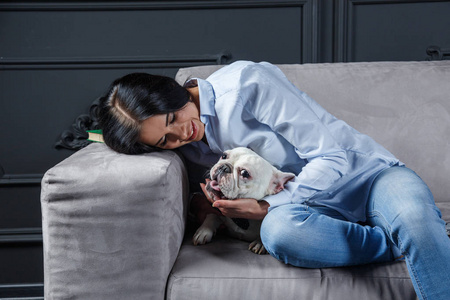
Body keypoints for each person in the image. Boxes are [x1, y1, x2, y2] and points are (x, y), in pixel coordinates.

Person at [98, 61, 450, 300]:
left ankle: (414, 233)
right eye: (165, 140)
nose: (182, 133)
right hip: (304, 217)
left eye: (173, 117)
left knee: (414, 219)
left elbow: (331, 156)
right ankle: (392, 243)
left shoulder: (245, 84)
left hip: (368, 178)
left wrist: (266, 204)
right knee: (280, 233)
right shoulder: (186, 148)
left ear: (172, 94)